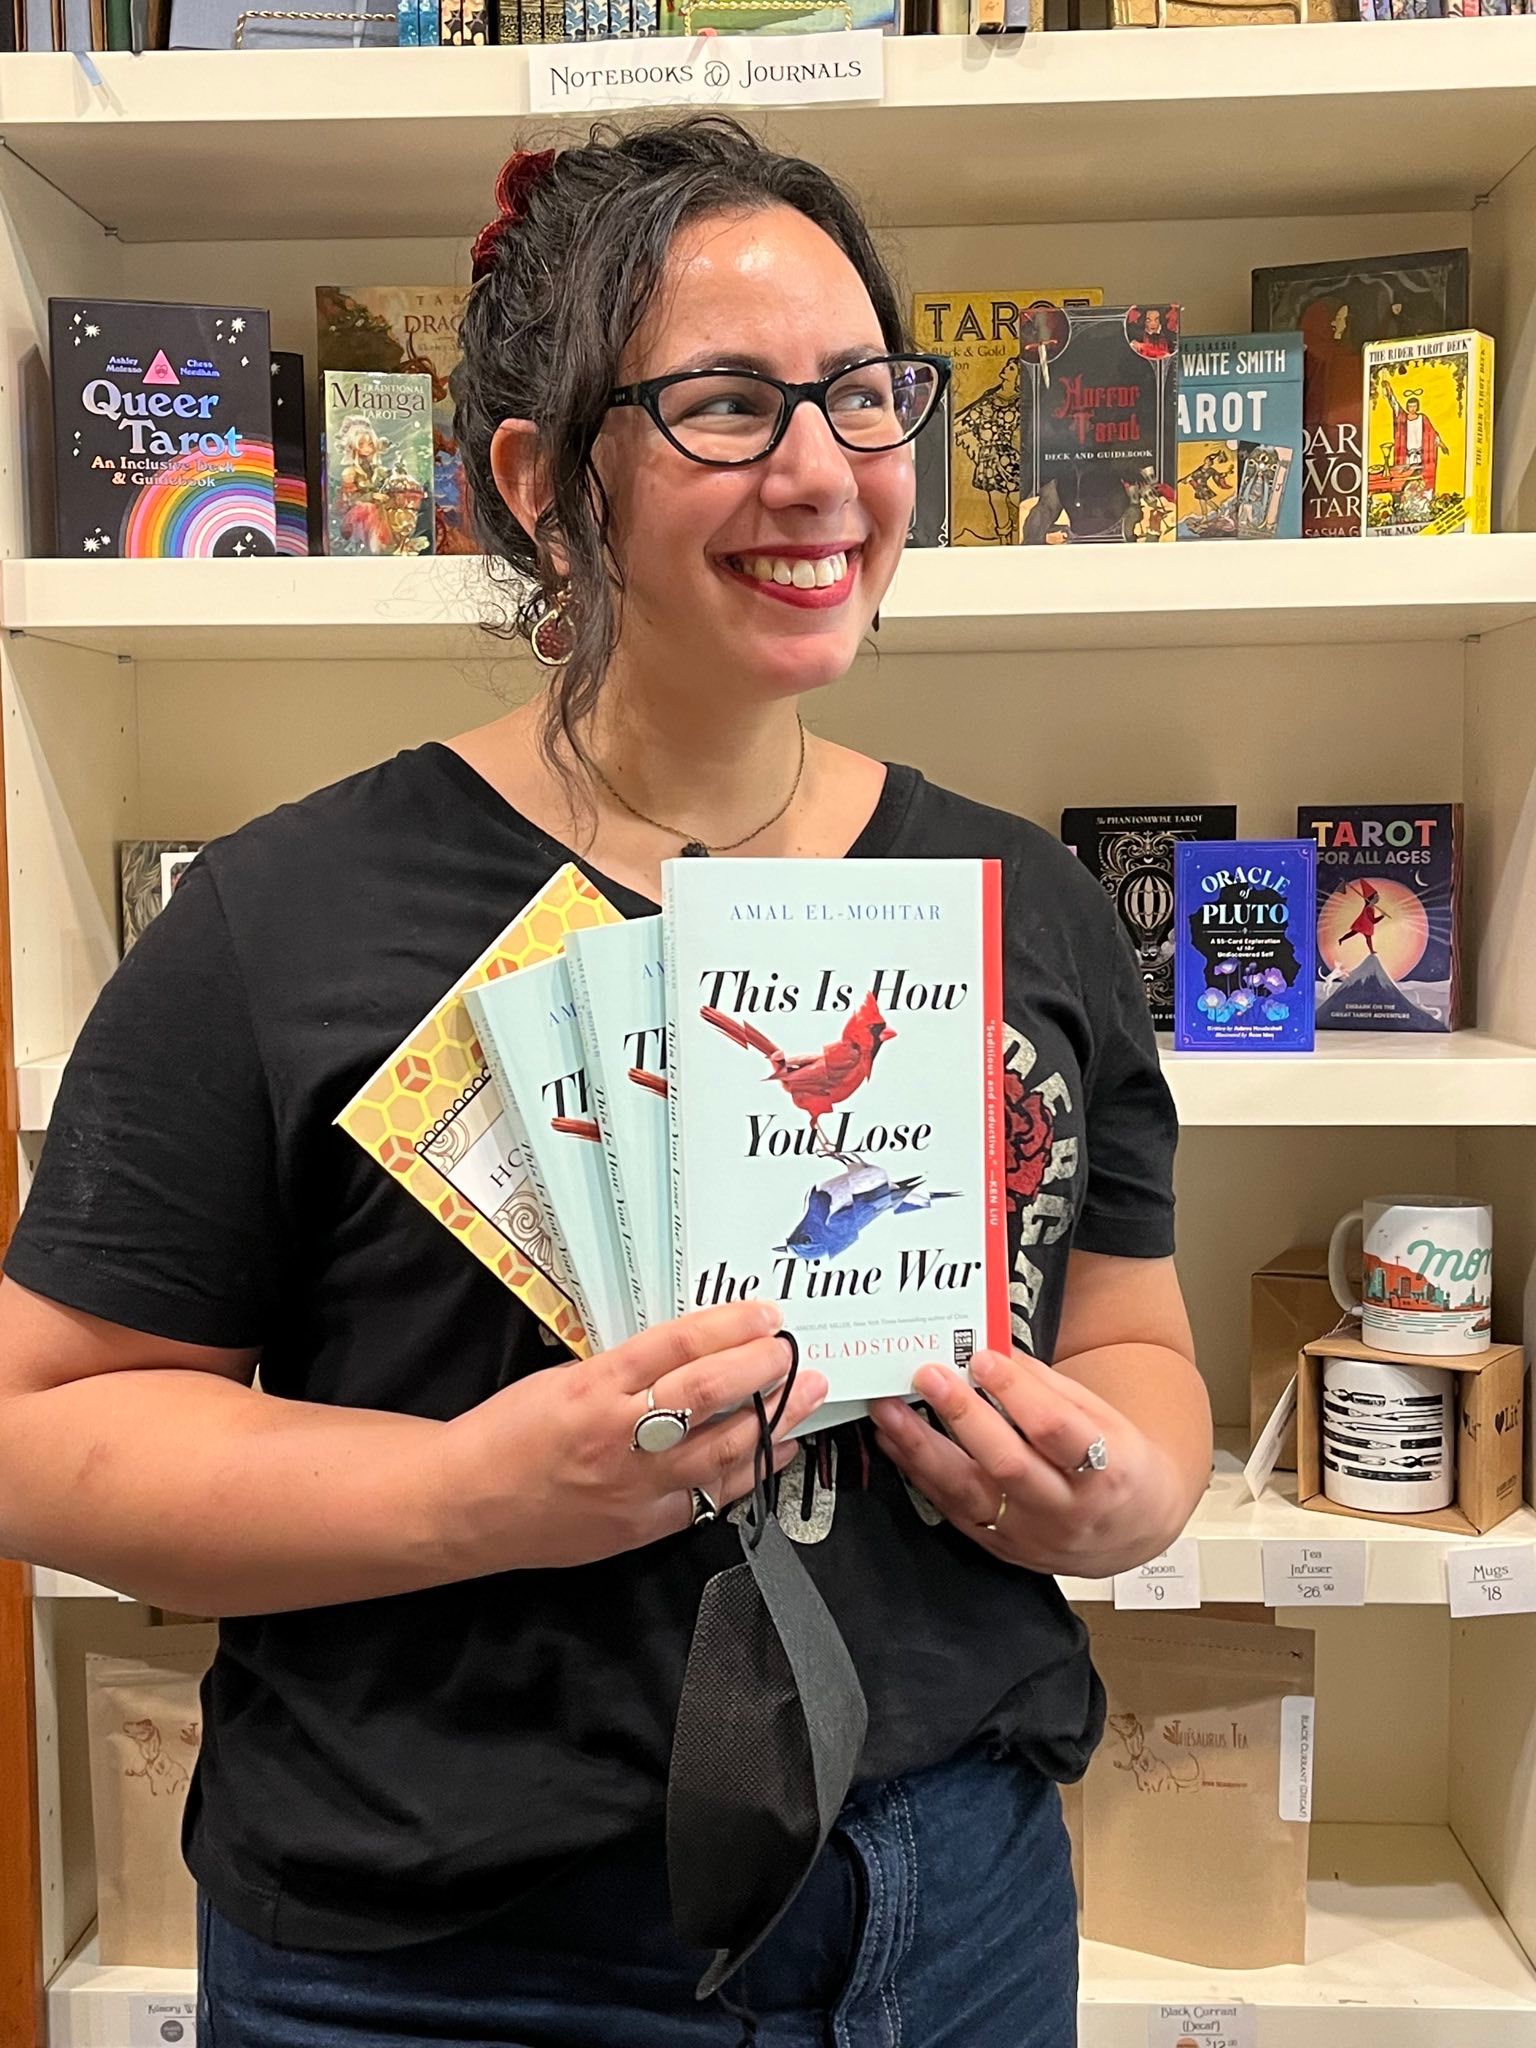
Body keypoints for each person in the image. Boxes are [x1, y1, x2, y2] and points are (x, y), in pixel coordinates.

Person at [0, 117, 1211, 2048]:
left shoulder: (1028, 911)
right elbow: (44, 1429)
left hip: (957, 1916)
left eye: (863, 395)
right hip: (446, 1962)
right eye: (728, 405)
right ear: (543, 482)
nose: (822, 471)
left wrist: (1119, 1491)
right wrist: (472, 1493)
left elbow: (1141, 1350)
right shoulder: (281, 921)